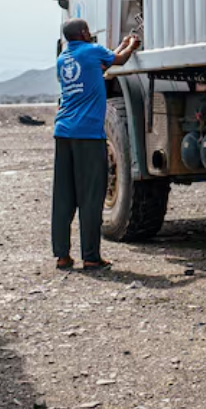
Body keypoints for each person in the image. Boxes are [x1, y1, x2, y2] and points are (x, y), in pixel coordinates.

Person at [52, 19, 139, 271]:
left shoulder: (62, 60)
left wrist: (121, 46)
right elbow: (118, 61)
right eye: (88, 30)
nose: (91, 33)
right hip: (88, 135)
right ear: (83, 33)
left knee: (64, 196)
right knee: (91, 196)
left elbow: (102, 65)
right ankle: (91, 256)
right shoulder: (92, 50)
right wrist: (132, 45)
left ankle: (62, 256)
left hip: (63, 133)